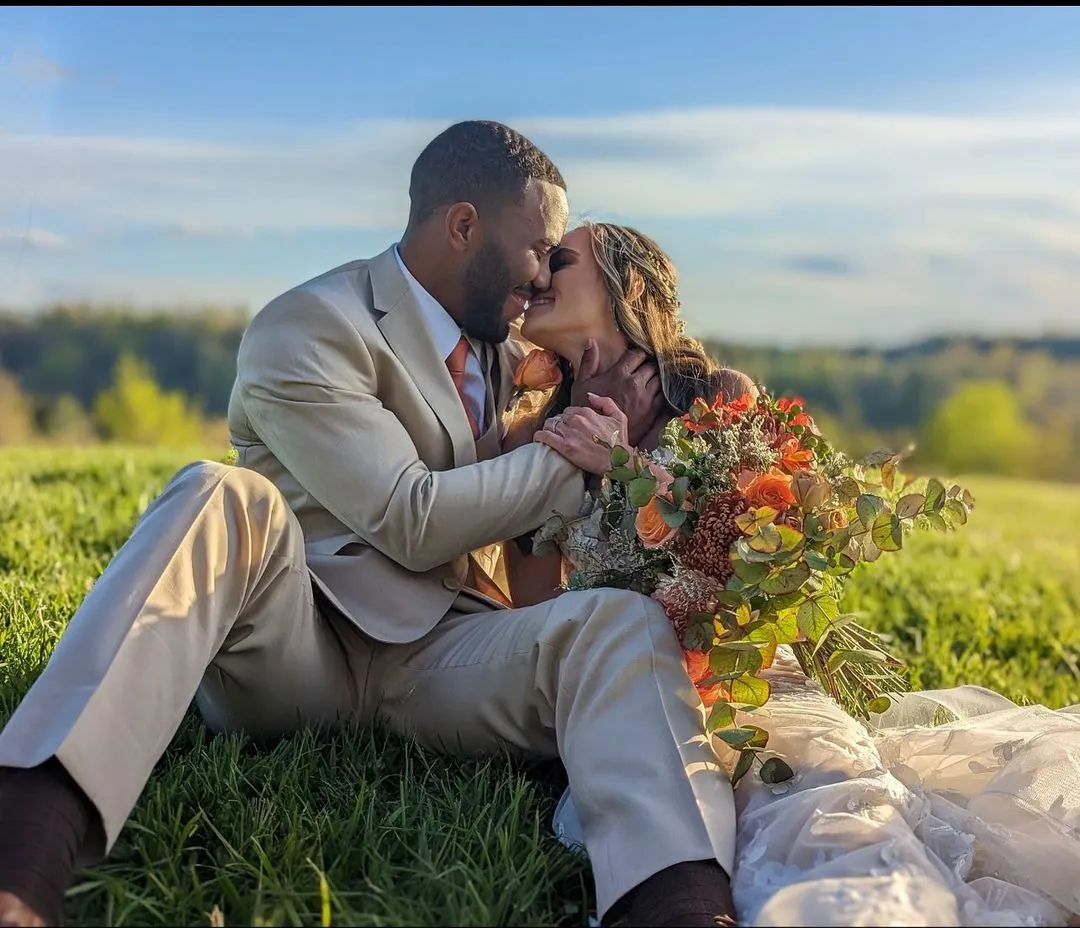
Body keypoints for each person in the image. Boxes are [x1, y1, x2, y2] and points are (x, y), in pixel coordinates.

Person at [0, 121, 739, 928]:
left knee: (620, 624)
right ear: (464, 226)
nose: (538, 278)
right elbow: (408, 518)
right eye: (538, 249)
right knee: (218, 494)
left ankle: (681, 907)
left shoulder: (503, 350)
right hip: (298, 650)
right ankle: (25, 857)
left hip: (442, 660)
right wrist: (584, 456)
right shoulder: (310, 326)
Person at [502, 220, 1080, 927]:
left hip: (750, 684)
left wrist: (629, 467)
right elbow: (534, 616)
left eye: (557, 260)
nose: (535, 276)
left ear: (630, 285)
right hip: (629, 703)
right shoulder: (531, 439)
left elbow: (764, 567)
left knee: (832, 823)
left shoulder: (716, 397)